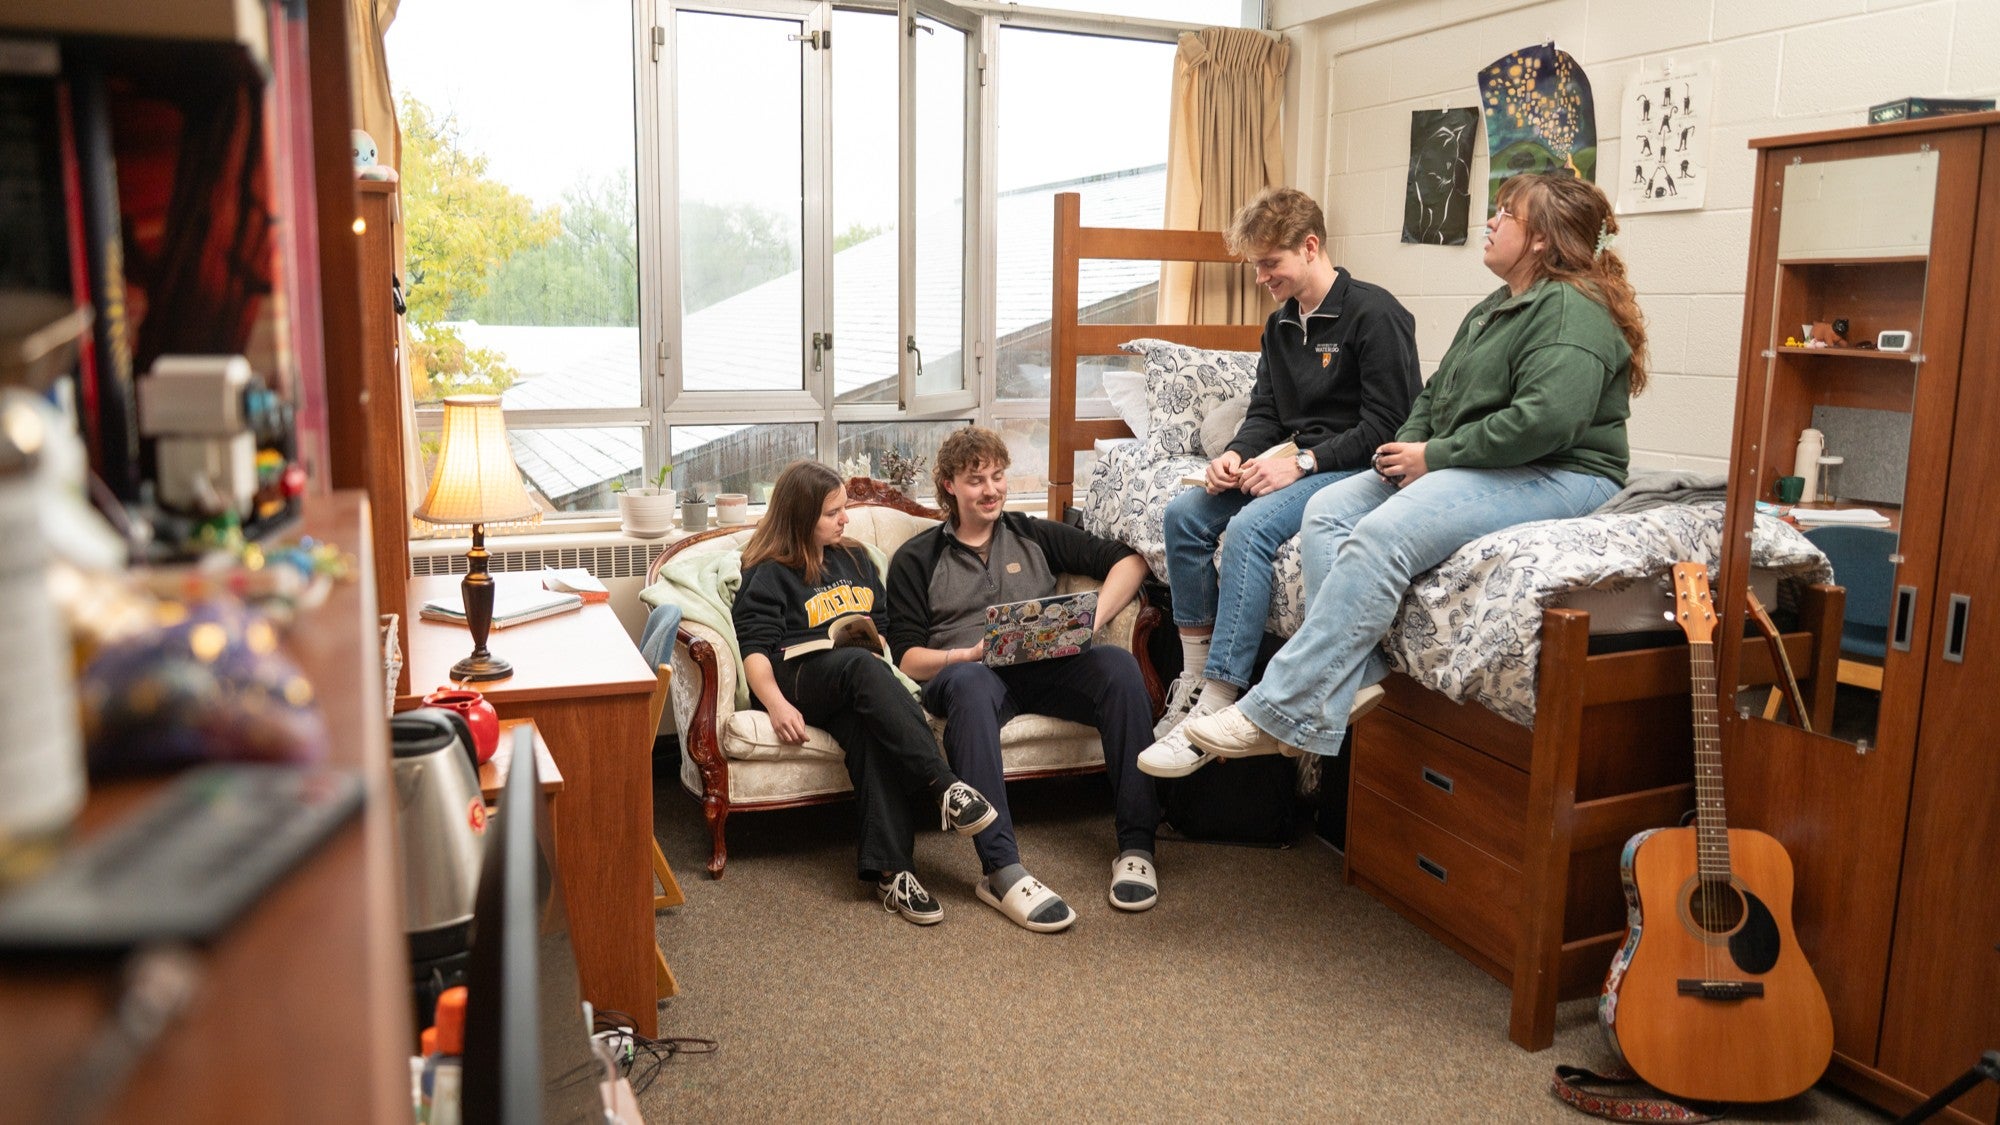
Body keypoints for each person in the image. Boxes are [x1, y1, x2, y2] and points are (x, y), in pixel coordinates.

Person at [1143, 172, 1649, 776]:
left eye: (1504, 214)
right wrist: (1407, 450)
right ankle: (1352, 676)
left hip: (1558, 469)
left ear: (1540, 238)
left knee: (1379, 536)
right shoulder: (1496, 308)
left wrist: (1430, 457)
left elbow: (1545, 424)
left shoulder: (1571, 309)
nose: (1489, 222)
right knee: (1327, 514)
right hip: (1476, 456)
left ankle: (1277, 705)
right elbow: (1433, 397)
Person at [1146, 187, 1420, 766]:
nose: (1261, 278)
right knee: (1183, 516)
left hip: (1350, 468)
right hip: (1292, 459)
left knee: (1249, 530)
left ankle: (1221, 695)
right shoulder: (1278, 327)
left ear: (1311, 246)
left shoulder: (1376, 314)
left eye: (1270, 264)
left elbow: (1391, 424)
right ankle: (1193, 680)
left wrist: (1299, 463)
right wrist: (1238, 456)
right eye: (1256, 266)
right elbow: (1266, 411)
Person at [886, 427, 1159, 932]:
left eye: (997, 476)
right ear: (948, 486)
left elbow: (1130, 561)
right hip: (967, 675)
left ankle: (1137, 846)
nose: (990, 490)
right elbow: (906, 659)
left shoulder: (1032, 532)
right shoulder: (916, 559)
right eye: (975, 480)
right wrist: (964, 654)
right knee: (971, 685)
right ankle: (1001, 871)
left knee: (1120, 668)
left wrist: (1086, 624)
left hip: (1046, 664)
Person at [732, 460, 998, 926]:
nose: (844, 519)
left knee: (867, 727)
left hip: (856, 683)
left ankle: (894, 873)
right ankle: (943, 786)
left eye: (844, 509)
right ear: (800, 517)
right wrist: (775, 704)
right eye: (832, 512)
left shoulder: (856, 558)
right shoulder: (769, 572)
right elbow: (754, 650)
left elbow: (888, 632)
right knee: (858, 665)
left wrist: (880, 650)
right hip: (796, 680)